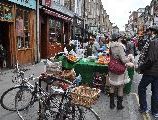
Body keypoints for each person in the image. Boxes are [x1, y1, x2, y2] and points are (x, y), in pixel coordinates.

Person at [138, 25, 158, 119]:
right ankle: (155, 111)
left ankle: (143, 107)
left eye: (149, 31)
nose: (148, 33)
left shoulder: (154, 42)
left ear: (153, 32)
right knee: (156, 92)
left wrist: (141, 68)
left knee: (141, 88)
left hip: (151, 72)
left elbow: (151, 59)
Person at [108, 33, 132, 110]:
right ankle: (119, 105)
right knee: (120, 87)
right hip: (119, 69)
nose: (121, 39)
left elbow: (110, 56)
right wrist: (129, 57)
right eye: (120, 38)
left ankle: (111, 104)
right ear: (118, 38)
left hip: (112, 68)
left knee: (112, 86)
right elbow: (124, 60)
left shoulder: (111, 46)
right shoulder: (120, 46)